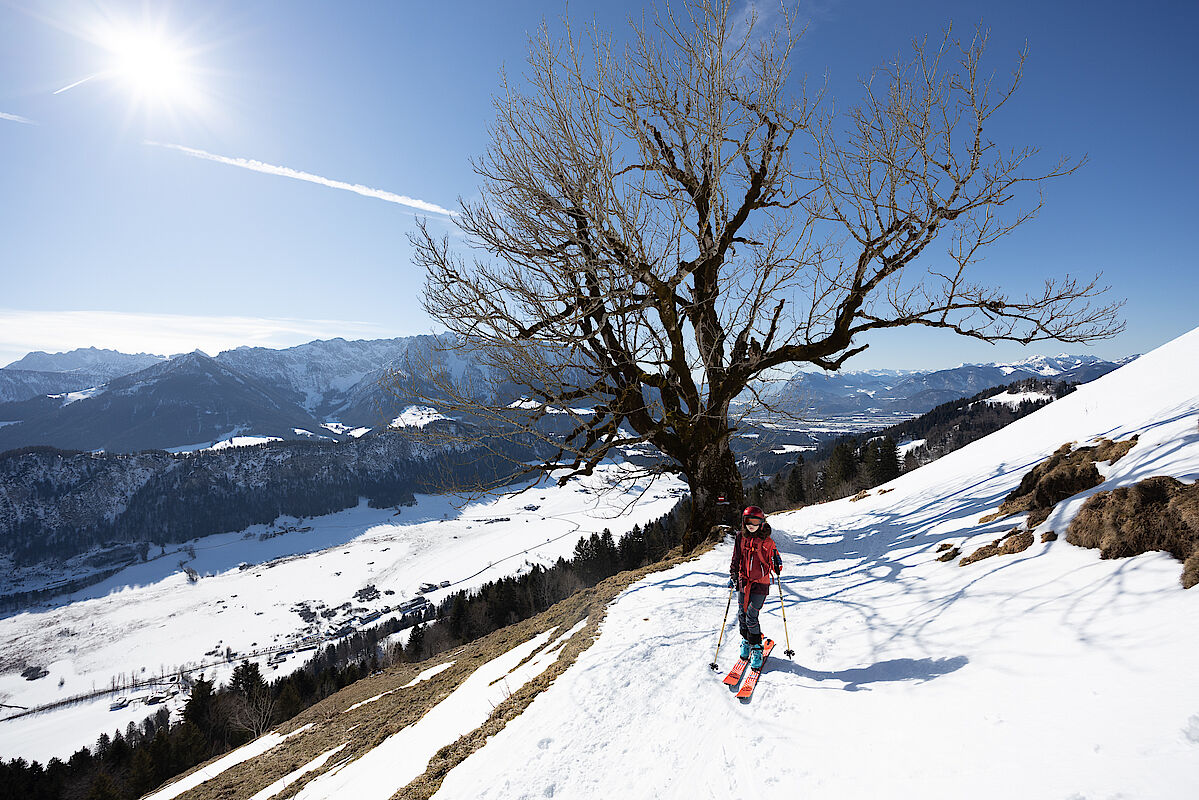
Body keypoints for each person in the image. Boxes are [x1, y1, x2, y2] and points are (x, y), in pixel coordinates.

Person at [729, 505, 781, 670]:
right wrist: (733, 575)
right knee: (741, 614)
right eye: (748, 521)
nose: (752, 525)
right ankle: (746, 639)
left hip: (760, 583)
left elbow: (775, 562)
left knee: (751, 615)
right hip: (744, 581)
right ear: (744, 522)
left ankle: (757, 647)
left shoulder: (767, 541)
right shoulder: (740, 537)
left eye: (756, 521)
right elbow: (736, 558)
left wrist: (777, 564)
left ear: (761, 522)